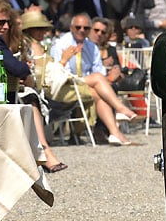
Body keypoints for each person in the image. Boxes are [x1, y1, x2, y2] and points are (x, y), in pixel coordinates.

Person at [50, 13, 138, 146]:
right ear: (71, 27)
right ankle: (120, 109)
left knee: (98, 91)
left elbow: (99, 71)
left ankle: (114, 132)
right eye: (78, 27)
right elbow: (62, 73)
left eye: (85, 28)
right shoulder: (61, 44)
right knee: (97, 80)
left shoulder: (91, 46)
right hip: (65, 84)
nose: (82, 30)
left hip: (86, 85)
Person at [19, 10, 70, 173]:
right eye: (38, 28)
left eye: (43, 28)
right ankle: (44, 150)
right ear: (28, 30)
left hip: (38, 86)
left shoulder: (38, 46)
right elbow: (37, 75)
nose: (42, 32)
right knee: (32, 98)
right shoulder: (28, 46)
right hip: (36, 88)